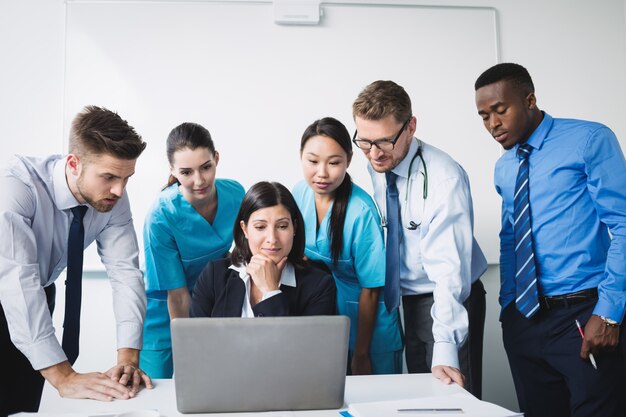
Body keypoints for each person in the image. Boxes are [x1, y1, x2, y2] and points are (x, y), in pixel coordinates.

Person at [475, 62, 626, 416]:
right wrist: (509, 307)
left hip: (584, 316)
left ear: (530, 100)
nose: (492, 124)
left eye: (500, 110)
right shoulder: (505, 166)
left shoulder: (589, 140)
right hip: (525, 321)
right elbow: (511, 237)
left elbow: (623, 223)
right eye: (483, 116)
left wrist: (608, 314)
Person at [0, 106, 153, 417]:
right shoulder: (17, 187)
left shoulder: (113, 197)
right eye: (109, 176)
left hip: (39, 295)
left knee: (29, 405)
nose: (119, 190)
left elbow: (125, 273)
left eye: (127, 178)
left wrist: (128, 357)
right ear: (73, 163)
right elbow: (17, 283)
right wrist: (63, 376)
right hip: (12, 290)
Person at [352, 80, 488, 397]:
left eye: (384, 141)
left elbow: (449, 271)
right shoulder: (378, 159)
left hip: (450, 295)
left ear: (410, 127)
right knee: (421, 398)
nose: (373, 153)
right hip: (407, 299)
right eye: (364, 141)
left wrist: (445, 343)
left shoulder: (444, 178)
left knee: (453, 399)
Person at [292, 117, 403, 375]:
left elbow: (372, 290)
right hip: (325, 322)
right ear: (301, 156)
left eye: (334, 162)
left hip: (370, 332)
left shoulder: (361, 211)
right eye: (312, 161)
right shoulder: (299, 193)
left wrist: (362, 353)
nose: (322, 173)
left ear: (349, 160)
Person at [140, 122, 245, 378]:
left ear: (216, 158)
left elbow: (241, 254)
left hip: (210, 305)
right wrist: (189, 349)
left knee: (212, 384)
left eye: (206, 167)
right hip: (164, 312)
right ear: (173, 171)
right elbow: (177, 297)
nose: (199, 181)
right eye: (186, 172)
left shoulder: (236, 194)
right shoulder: (161, 216)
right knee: (157, 390)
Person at [190, 181, 336, 318]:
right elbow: (195, 340)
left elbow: (299, 344)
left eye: (282, 226)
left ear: (294, 228)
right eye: (260, 227)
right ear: (245, 229)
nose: (272, 239)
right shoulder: (214, 275)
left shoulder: (319, 285)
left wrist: (271, 291)